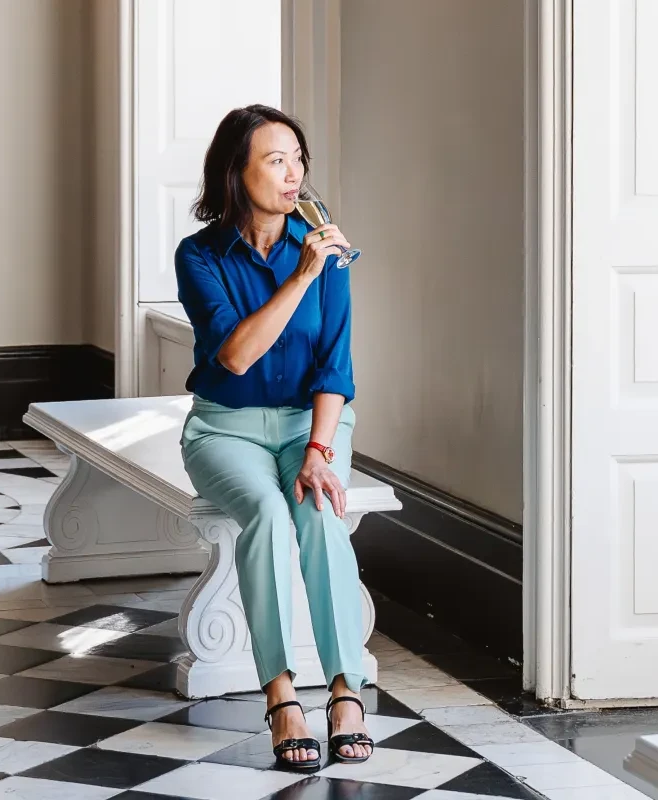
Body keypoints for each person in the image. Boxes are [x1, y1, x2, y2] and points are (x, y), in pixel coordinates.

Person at [175, 104, 373, 772]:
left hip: (309, 424)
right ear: (236, 171)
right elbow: (234, 356)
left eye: (298, 158)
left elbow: (335, 366)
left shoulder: (328, 249)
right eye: (275, 159)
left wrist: (319, 451)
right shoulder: (200, 255)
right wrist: (301, 277)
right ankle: (281, 693)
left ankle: (346, 688)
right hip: (224, 427)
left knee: (319, 508)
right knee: (263, 513)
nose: (294, 174)